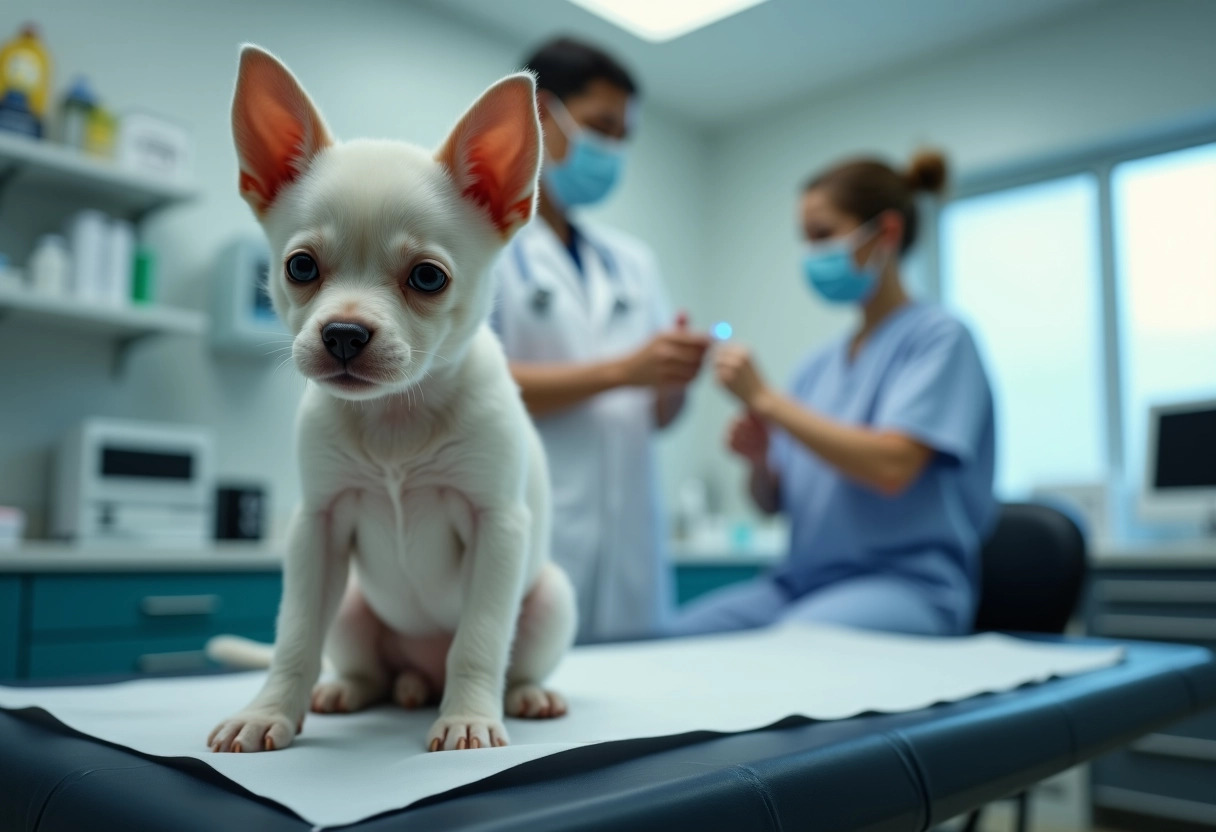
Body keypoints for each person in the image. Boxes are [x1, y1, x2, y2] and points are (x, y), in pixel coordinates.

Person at [672, 151, 996, 638]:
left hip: (905, 587)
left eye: (822, 235)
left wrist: (767, 400)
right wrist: (760, 461)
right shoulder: (817, 367)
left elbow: (893, 466)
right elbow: (772, 503)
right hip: (799, 585)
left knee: (790, 650)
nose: (811, 253)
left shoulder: (940, 338)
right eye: (805, 239)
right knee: (672, 640)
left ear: (885, 233)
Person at [491, 38, 711, 642]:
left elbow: (657, 414)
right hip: (535, 534)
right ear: (538, 113)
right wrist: (623, 371)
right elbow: (473, 388)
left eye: (622, 136)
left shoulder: (632, 263)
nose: (611, 149)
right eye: (600, 126)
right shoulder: (484, 243)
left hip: (632, 548)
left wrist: (674, 379)